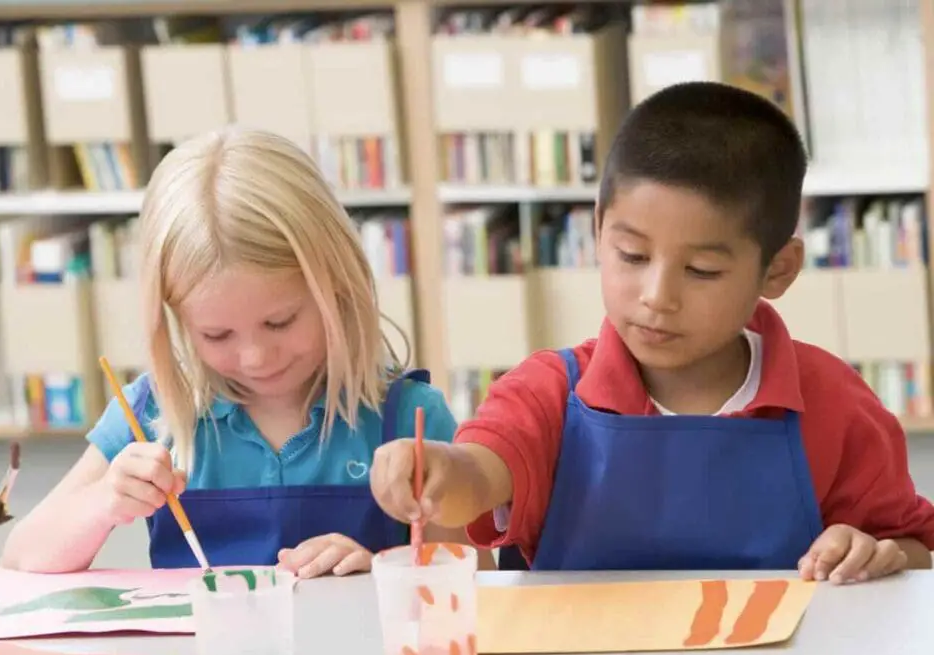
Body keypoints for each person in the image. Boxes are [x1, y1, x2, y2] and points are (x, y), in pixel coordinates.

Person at [371, 81, 934, 585]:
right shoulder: (549, 391)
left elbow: (913, 550)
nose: (657, 296)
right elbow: (480, 473)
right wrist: (440, 470)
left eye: (702, 271)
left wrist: (873, 554)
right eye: (632, 254)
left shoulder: (834, 404)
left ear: (778, 269)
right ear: (597, 230)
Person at [1, 128, 488, 576]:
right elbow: (22, 560)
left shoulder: (409, 418)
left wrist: (382, 572)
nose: (255, 357)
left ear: (337, 285)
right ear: (175, 318)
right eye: (216, 335)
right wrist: (105, 501)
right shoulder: (153, 414)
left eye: (280, 322)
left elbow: (474, 583)